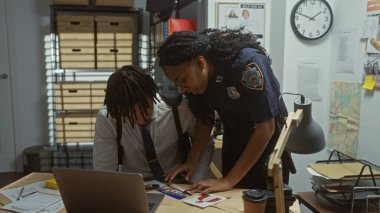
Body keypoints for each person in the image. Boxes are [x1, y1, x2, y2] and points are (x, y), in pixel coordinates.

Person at [157, 29, 289, 194]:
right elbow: (205, 118)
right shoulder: (200, 84)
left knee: (261, 202)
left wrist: (229, 180)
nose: (182, 89)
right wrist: (192, 160)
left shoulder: (247, 65)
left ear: (200, 63)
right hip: (234, 137)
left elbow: (266, 127)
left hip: (267, 144)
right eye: (177, 84)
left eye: (183, 80)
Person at [93, 65, 214, 183]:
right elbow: (105, 171)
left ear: (152, 95)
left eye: (145, 111)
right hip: (135, 185)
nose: (140, 120)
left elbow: (205, 142)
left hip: (177, 181)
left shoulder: (178, 109)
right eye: (130, 116)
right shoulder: (108, 118)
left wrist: (195, 179)